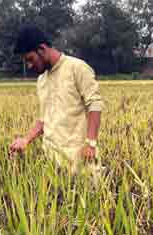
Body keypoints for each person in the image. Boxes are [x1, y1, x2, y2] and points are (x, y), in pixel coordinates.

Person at [9, 26, 104, 177]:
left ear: (42, 49)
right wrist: (26, 139)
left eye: (30, 59)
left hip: (80, 161)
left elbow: (95, 105)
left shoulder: (77, 68)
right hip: (52, 164)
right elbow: (44, 119)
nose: (29, 65)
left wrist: (91, 143)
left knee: (88, 198)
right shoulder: (41, 80)